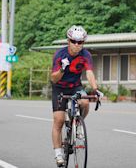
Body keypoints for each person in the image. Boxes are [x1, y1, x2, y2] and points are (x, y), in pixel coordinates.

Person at [50, 25, 103, 166]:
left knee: (85, 103)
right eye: (74, 41)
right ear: (68, 40)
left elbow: (89, 72)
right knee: (59, 120)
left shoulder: (86, 55)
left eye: (81, 42)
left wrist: (96, 89)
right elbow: (53, 79)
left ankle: (78, 124)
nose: (77, 45)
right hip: (59, 87)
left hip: (75, 87)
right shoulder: (59, 55)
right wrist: (62, 69)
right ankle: (58, 154)